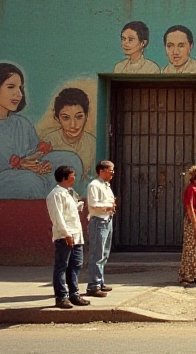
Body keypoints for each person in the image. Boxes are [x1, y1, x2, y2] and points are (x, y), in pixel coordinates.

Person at [0, 63, 84, 199]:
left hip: (26, 174)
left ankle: (65, 205)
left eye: (20, 88)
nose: (18, 94)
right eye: (11, 87)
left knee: (70, 160)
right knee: (29, 181)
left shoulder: (22, 123)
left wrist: (39, 165)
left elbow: (34, 154)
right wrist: (24, 166)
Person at [46, 165, 89, 309]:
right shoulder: (55, 194)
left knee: (75, 264)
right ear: (64, 178)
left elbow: (71, 212)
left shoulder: (69, 193)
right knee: (62, 266)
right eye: (72, 175)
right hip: (66, 235)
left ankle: (74, 294)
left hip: (76, 234)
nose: (74, 178)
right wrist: (66, 234)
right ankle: (61, 296)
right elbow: (57, 217)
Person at [41, 87, 98, 180]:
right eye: (66, 118)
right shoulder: (48, 142)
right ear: (57, 118)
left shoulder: (93, 144)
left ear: (86, 116)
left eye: (79, 117)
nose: (73, 125)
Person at [85, 161, 116, 297]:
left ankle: (100, 281)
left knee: (104, 253)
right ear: (101, 171)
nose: (112, 173)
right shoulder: (94, 185)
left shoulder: (106, 186)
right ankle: (93, 285)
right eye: (110, 170)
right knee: (97, 254)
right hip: (99, 221)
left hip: (107, 220)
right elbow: (93, 204)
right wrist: (107, 207)